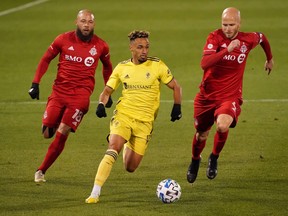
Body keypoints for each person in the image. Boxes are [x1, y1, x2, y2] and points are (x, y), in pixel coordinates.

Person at [85, 30, 182, 204]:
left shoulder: (157, 65)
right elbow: (107, 91)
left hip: (145, 123)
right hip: (124, 115)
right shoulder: (122, 67)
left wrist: (177, 106)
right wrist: (101, 104)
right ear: (131, 48)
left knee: (130, 167)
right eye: (140, 47)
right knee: (113, 147)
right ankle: (95, 193)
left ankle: (126, 141)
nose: (144, 51)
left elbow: (176, 87)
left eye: (146, 47)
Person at [186, 7, 274, 183]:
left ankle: (214, 158)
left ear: (239, 24)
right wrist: (226, 50)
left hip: (229, 96)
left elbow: (262, 37)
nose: (227, 28)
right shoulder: (214, 37)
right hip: (207, 96)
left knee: (222, 125)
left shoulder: (248, 39)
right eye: (224, 24)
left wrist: (269, 58)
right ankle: (195, 160)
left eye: (231, 24)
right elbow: (204, 63)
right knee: (201, 134)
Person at [28, 9, 113, 183]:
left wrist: (107, 90)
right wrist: (35, 83)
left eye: (89, 22)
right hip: (59, 92)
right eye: (83, 21)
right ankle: (56, 120)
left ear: (94, 24)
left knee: (63, 130)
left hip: (81, 96)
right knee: (47, 133)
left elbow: (107, 67)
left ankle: (41, 170)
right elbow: (46, 59)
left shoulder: (101, 46)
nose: (86, 25)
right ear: (76, 22)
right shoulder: (62, 39)